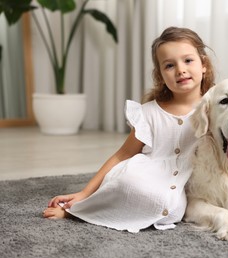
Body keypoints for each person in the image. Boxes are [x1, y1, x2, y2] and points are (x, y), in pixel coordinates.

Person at [42, 26, 215, 232]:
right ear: (160, 74)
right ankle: (78, 210)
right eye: (169, 65)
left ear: (203, 64)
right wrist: (84, 193)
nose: (180, 70)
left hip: (189, 184)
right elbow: (123, 154)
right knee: (126, 182)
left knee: (172, 207)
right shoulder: (149, 112)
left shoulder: (217, 106)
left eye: (188, 60)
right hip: (148, 174)